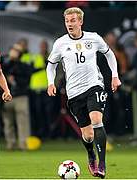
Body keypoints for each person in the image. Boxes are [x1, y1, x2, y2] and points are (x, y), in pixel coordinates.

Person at [46, 7, 121, 178]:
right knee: (87, 135)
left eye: (73, 20)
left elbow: (109, 54)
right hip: (74, 93)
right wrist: (51, 83)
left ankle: (102, 164)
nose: (70, 24)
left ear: (80, 21)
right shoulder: (60, 43)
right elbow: (51, 65)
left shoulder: (93, 38)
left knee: (97, 120)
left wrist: (114, 76)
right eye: (67, 21)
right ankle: (91, 155)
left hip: (94, 85)